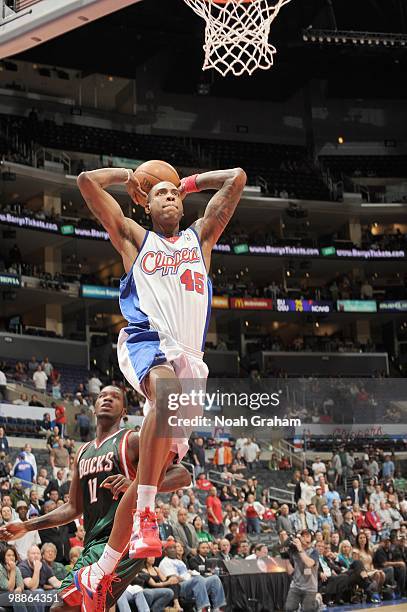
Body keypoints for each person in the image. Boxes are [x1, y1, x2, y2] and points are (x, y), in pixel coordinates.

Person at [74, 163, 246, 604]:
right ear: (145, 203)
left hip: (191, 360)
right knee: (165, 396)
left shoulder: (200, 238)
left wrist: (188, 182)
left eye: (176, 194)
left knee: (150, 470)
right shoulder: (135, 239)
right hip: (145, 341)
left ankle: (101, 570)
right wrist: (128, 174)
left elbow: (237, 178)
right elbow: (86, 184)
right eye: (161, 193)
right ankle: (146, 513)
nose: (170, 198)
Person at [0, 386, 190, 611]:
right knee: (87, 607)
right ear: (94, 406)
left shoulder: (131, 440)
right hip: (93, 543)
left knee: (62, 606)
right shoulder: (83, 452)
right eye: (102, 396)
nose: (107, 399)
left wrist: (138, 484)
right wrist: (26, 525)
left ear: (124, 411)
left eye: (115, 397)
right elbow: (72, 508)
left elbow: (183, 474)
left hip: (122, 540)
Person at [159, 540, 226, 612]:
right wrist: (187, 576)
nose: (173, 549)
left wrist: (189, 573)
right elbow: (173, 579)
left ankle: (217, 608)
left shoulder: (179, 561)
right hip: (180, 587)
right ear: (165, 551)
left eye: (174, 547)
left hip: (191, 583)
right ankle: (203, 608)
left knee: (214, 579)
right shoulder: (165, 562)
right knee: (198, 579)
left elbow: (185, 572)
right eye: (170, 548)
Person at [284, 529, 319, 612]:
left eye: (307, 536)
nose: (304, 538)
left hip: (310, 587)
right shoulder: (294, 551)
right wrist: (285, 555)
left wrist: (300, 548)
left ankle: (318, 601)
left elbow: (309, 563)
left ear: (311, 539)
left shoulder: (314, 551)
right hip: (296, 585)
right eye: (302, 536)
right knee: (289, 608)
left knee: (308, 610)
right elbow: (290, 571)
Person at [0, 544, 27, 612]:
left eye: (13, 555)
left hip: (12, 594)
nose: (11, 557)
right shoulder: (0, 568)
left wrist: (19, 588)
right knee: (16, 596)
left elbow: (21, 585)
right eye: (8, 555)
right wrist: (12, 570)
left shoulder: (16, 568)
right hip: (2, 595)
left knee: (29, 594)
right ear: (3, 557)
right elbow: (9, 588)